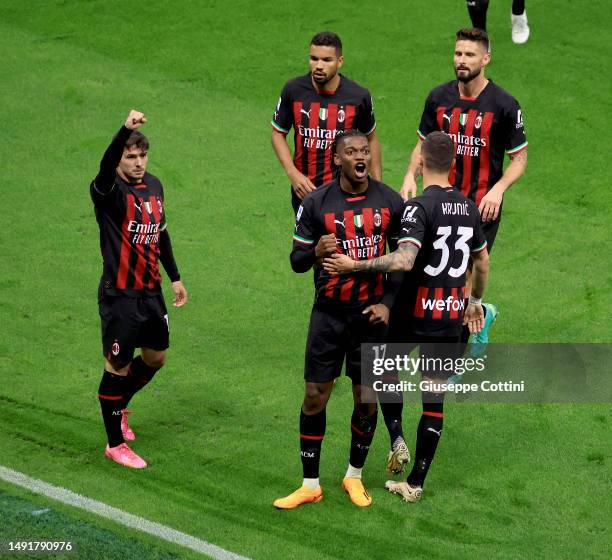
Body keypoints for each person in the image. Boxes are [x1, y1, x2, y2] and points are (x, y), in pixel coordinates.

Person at [325, 131, 490, 502]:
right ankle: (414, 483)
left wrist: (355, 265)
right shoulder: (468, 206)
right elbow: (482, 260)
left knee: (380, 365)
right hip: (449, 316)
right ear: (455, 164)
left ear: (420, 162)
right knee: (434, 399)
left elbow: (403, 260)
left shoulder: (418, 207)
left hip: (415, 311)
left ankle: (396, 432)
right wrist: (475, 301)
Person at [273, 130, 403, 509]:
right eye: (351, 152)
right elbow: (296, 262)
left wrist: (389, 304)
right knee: (315, 396)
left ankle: (354, 476)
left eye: (364, 150)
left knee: (366, 399)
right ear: (336, 160)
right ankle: (310, 483)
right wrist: (315, 251)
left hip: (371, 316)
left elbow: (403, 259)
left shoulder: (389, 200)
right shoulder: (316, 203)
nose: (360, 157)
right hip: (328, 315)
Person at [400, 27, 527, 346]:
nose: (461, 60)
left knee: (460, 282)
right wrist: (409, 175)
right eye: (458, 53)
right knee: (438, 278)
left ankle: (456, 353)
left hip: (481, 207)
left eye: (469, 54)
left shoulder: (504, 105)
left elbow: (520, 159)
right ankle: (482, 312)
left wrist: (498, 190)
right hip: (440, 206)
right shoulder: (438, 97)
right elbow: (423, 144)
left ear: (486, 58)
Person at [91, 110, 188, 469]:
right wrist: (124, 130)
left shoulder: (155, 186)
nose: (137, 163)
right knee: (116, 365)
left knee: (155, 358)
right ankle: (114, 444)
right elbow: (104, 165)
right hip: (119, 294)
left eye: (141, 155)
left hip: (151, 291)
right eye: (129, 157)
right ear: (118, 159)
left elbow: (160, 232)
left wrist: (175, 276)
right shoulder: (107, 191)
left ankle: (120, 408)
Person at [271, 31, 381, 213]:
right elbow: (278, 134)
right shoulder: (294, 90)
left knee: (343, 241)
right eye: (314, 59)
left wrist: (377, 186)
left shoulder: (358, 96)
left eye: (326, 60)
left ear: (340, 61)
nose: (319, 66)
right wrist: (293, 174)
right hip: (305, 191)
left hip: (345, 190)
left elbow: (371, 139)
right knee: (309, 242)